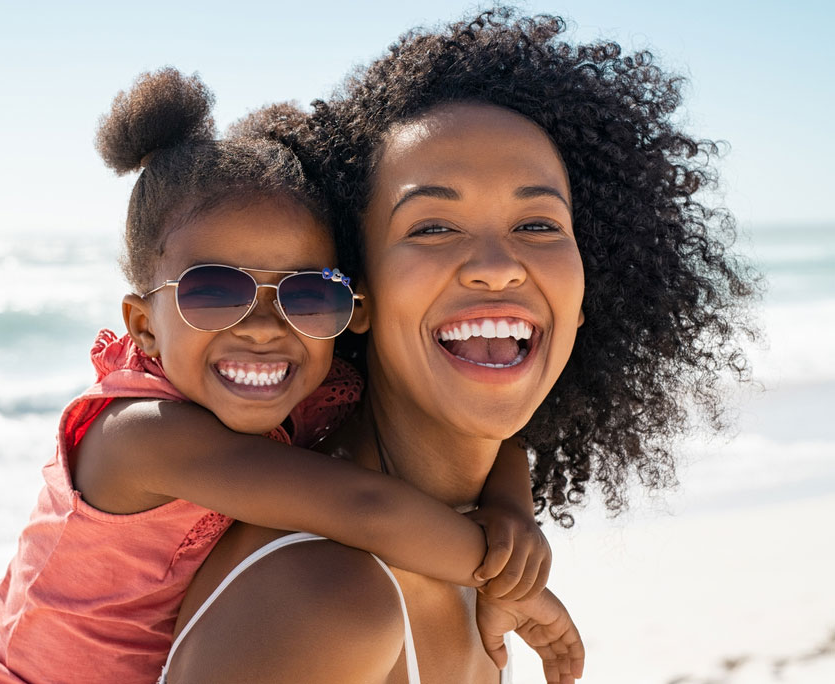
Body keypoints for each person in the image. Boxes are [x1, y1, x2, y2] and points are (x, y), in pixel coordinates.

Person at [164, 8, 757, 684]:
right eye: (434, 226)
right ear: (355, 297)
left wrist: (511, 504)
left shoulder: (476, 551)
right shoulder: (325, 601)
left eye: (537, 223)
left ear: (588, 292)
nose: (498, 265)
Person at [0, 68, 566, 684]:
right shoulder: (137, 436)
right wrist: (514, 582)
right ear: (143, 325)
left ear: (352, 310)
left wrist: (510, 508)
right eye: (216, 290)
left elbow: (477, 429)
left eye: (307, 295)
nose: (263, 326)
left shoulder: (312, 390)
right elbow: (363, 507)